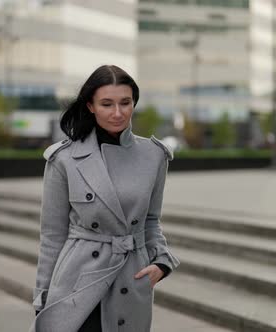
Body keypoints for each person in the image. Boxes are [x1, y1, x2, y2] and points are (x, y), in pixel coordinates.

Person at [30, 65, 180, 332]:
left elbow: (151, 221)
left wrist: (161, 263)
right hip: (77, 280)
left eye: (125, 102)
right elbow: (52, 235)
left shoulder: (154, 156)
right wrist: (42, 296)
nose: (118, 113)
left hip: (130, 277)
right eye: (107, 104)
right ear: (90, 106)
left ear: (134, 103)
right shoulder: (64, 159)